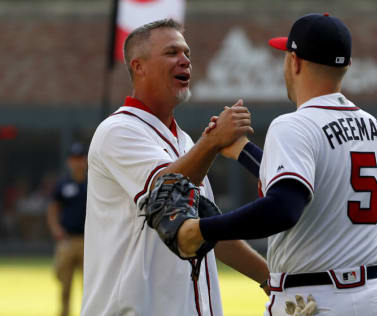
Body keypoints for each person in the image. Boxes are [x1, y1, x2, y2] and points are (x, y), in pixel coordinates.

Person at [178, 13, 377, 315]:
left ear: (294, 61)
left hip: (318, 298)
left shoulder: (293, 125)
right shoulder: (370, 125)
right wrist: (244, 152)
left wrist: (203, 229)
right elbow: (312, 187)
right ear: (346, 66)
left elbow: (284, 208)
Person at [81, 19, 269, 316]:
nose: (185, 60)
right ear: (139, 66)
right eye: (171, 52)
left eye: (187, 54)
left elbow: (207, 231)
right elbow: (163, 191)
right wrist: (212, 143)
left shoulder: (184, 142)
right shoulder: (118, 131)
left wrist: (271, 280)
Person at [47, 142, 88, 316]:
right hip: (68, 239)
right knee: (64, 284)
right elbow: (53, 208)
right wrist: (56, 229)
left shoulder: (93, 182)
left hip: (89, 241)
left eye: (80, 159)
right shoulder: (63, 184)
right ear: (69, 161)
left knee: (90, 285)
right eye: (74, 159)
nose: (77, 163)